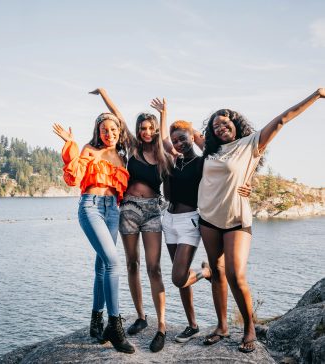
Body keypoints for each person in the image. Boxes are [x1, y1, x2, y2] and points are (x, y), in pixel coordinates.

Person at [198, 88, 325, 353]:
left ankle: (249, 328)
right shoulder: (210, 149)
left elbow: (282, 119)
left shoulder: (251, 144)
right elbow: (184, 130)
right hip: (208, 217)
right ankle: (222, 326)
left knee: (236, 274)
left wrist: (316, 95)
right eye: (215, 125)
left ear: (235, 124)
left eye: (225, 122)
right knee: (218, 272)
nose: (221, 127)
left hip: (236, 217)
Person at [151, 97, 251, 343]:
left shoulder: (204, 160)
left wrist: (248, 185)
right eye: (175, 140)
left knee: (177, 277)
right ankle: (192, 324)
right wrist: (165, 114)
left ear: (191, 137)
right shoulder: (175, 159)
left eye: (183, 138)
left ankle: (207, 273)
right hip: (169, 220)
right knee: (179, 277)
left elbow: (231, 169)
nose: (178, 143)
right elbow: (166, 140)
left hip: (191, 221)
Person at [90, 88, 172, 352]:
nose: (146, 132)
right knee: (132, 264)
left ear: (156, 129)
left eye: (150, 128)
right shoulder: (133, 148)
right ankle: (140, 317)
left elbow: (168, 141)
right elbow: (118, 116)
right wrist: (103, 92)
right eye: (142, 128)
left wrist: (164, 114)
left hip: (151, 211)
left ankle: (161, 327)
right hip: (127, 209)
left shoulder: (161, 154)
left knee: (154, 268)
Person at [52, 105, 135, 354]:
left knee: (102, 266)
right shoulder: (90, 150)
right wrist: (71, 144)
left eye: (113, 129)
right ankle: (115, 326)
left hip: (113, 210)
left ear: (119, 132)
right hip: (91, 207)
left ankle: (95, 322)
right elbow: (73, 177)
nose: (109, 133)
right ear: (98, 132)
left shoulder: (122, 157)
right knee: (113, 263)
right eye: (104, 130)